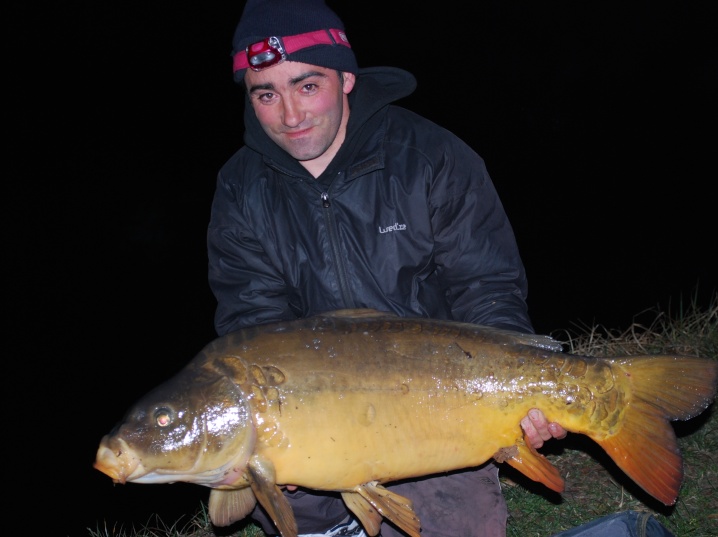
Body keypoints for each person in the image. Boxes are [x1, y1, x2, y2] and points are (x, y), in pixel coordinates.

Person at [206, 1, 673, 536]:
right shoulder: (241, 189)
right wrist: (268, 436)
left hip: (438, 402)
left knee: (456, 522)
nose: (290, 114)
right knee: (288, 504)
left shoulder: (430, 157)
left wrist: (520, 393)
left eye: (307, 86)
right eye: (266, 94)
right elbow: (253, 318)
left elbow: (487, 287)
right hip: (317, 408)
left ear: (346, 78)